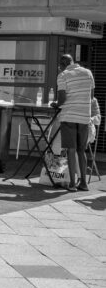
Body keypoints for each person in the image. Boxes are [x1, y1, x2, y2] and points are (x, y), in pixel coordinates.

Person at [54, 53, 95, 192]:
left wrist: (55, 104)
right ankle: (84, 183)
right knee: (81, 150)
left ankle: (72, 184)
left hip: (69, 116)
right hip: (84, 117)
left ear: (62, 64)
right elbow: (91, 96)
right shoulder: (88, 73)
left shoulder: (63, 75)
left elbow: (62, 100)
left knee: (71, 150)